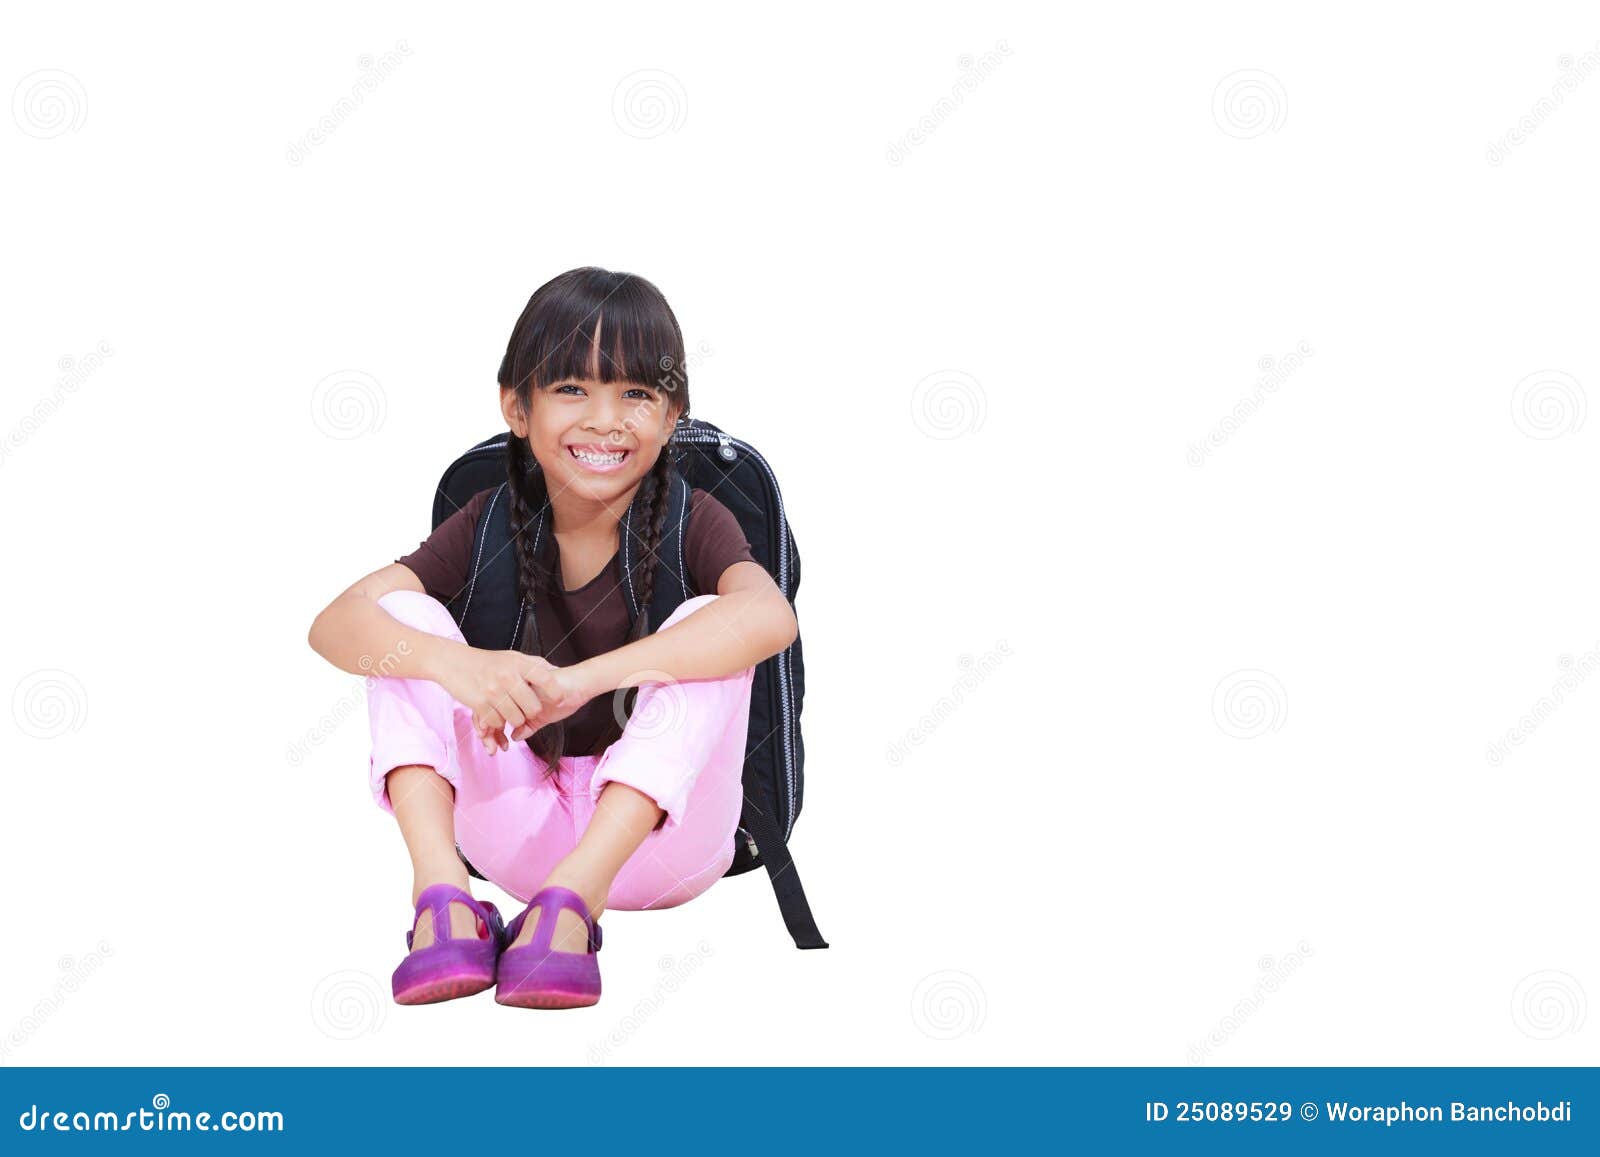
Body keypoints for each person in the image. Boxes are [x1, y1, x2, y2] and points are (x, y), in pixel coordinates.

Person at [307, 267, 797, 1008]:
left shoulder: (694, 520)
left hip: (658, 843)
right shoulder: (487, 521)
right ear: (517, 407)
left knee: (712, 625)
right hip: (518, 833)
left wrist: (586, 678)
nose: (605, 419)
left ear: (672, 418)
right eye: (572, 388)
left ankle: (573, 903)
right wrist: (459, 666)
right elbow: (334, 623)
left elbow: (770, 618)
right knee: (401, 622)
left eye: (636, 393)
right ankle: (443, 900)